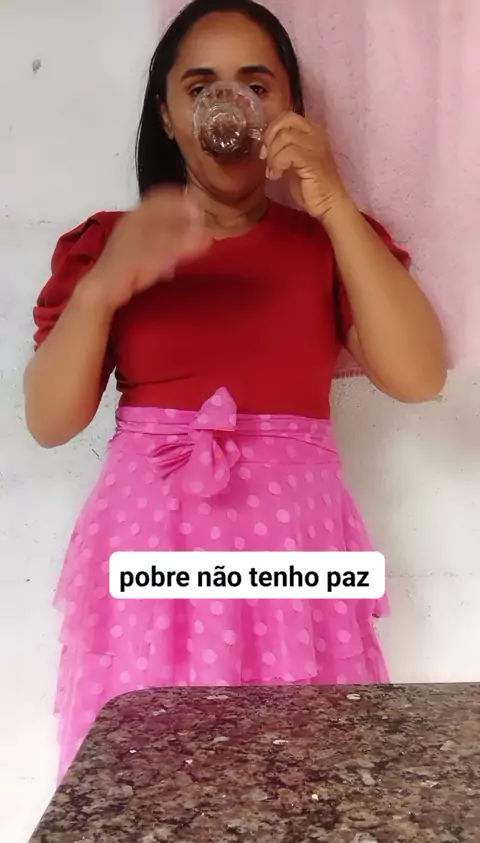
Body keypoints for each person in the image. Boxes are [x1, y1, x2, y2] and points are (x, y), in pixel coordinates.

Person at [24, 0, 446, 779]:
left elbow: (419, 376)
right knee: (153, 781)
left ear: (291, 109)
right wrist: (104, 287)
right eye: (201, 86)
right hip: (152, 557)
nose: (231, 105)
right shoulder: (107, 244)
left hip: (298, 557)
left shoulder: (329, 243)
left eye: (257, 85)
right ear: (168, 113)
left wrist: (333, 199)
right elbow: (49, 421)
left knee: (306, 779)